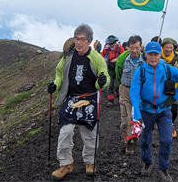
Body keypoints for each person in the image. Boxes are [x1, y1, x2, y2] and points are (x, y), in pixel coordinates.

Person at [47, 24, 109, 180]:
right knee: (65, 132)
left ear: (90, 41)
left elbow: (105, 76)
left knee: (89, 133)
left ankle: (90, 161)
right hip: (72, 98)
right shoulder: (68, 56)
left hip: (89, 99)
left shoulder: (96, 58)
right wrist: (55, 85)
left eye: (82, 39)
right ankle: (65, 164)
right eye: (76, 38)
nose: (79, 42)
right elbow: (60, 74)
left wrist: (102, 81)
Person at [130, 41, 178, 181]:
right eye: (150, 54)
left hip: (164, 110)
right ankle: (147, 163)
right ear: (145, 54)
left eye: (155, 54)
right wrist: (137, 116)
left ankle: (163, 168)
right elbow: (134, 93)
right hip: (145, 110)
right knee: (145, 139)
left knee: (167, 140)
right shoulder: (141, 71)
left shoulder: (167, 68)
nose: (153, 57)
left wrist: (174, 97)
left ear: (160, 54)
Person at [115, 35, 144, 154]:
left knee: (138, 117)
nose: (134, 51)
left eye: (137, 48)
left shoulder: (146, 61)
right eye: (132, 48)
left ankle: (137, 134)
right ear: (128, 47)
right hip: (126, 90)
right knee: (126, 118)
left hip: (140, 93)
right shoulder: (122, 60)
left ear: (141, 47)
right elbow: (118, 74)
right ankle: (129, 142)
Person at [160, 37, 178, 138]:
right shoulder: (158, 55)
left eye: (171, 47)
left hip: (174, 88)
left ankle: (170, 124)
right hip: (161, 87)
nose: (169, 50)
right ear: (162, 47)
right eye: (167, 47)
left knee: (174, 110)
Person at [100, 35, 125, 107]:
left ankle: (120, 98)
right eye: (109, 44)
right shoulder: (106, 48)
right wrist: (104, 59)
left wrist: (117, 59)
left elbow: (124, 56)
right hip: (110, 68)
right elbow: (101, 56)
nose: (110, 45)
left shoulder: (119, 47)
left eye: (112, 43)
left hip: (118, 67)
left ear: (115, 42)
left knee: (117, 85)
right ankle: (111, 101)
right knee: (110, 85)